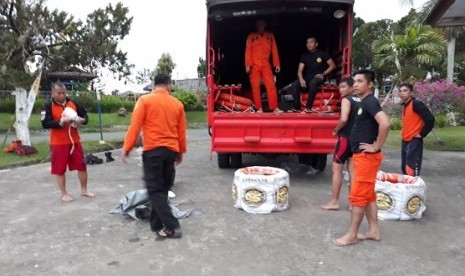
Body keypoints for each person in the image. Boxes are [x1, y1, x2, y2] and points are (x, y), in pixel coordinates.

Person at [121, 73, 186, 239]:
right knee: (162, 189)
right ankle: (156, 224)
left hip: (153, 151)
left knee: (155, 189)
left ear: (153, 85)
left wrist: (127, 148)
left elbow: (135, 126)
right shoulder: (177, 104)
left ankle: (172, 227)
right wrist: (180, 152)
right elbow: (181, 132)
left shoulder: (145, 101)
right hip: (170, 151)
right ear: (169, 85)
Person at [333, 69, 390, 246]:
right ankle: (373, 230)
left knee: (358, 196)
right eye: (355, 81)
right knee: (368, 194)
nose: (356, 84)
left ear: (370, 84)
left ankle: (352, 234)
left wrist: (376, 146)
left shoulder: (370, 102)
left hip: (366, 157)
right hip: (361, 156)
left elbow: (385, 123)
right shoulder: (364, 102)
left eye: (360, 81)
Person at [41, 82, 95, 202]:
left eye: (64, 93)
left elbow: (85, 115)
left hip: (74, 140)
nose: (62, 95)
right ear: (53, 93)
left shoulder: (73, 103)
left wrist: (82, 120)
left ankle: (84, 190)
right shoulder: (48, 106)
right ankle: (64, 193)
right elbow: (45, 123)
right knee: (59, 169)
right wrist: (61, 121)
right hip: (58, 143)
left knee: (82, 165)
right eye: (59, 93)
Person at [321, 77, 359, 211]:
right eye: (339, 87)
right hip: (356, 140)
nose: (340, 90)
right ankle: (353, 203)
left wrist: (336, 129)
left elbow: (343, 118)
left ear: (351, 87)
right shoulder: (360, 100)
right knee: (352, 171)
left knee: (336, 169)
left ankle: (334, 202)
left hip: (345, 139)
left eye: (343, 87)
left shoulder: (346, 100)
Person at [288, 36, 336, 113]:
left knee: (313, 82)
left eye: (311, 42)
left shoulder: (323, 54)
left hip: (319, 77)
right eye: (307, 43)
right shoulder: (304, 56)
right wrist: (301, 79)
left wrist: (323, 73)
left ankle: (308, 107)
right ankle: (296, 108)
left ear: (316, 44)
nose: (309, 44)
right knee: (295, 84)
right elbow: (299, 71)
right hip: (307, 78)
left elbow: (332, 65)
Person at [245, 18, 283, 113]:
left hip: (266, 64)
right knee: (255, 86)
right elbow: (248, 51)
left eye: (262, 24)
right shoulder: (251, 36)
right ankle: (259, 108)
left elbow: (274, 50)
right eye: (258, 24)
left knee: (271, 85)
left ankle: (275, 108)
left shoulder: (270, 35)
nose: (260, 25)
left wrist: (277, 64)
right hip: (254, 65)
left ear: (265, 24)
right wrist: (248, 65)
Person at [399, 82, 434, 176]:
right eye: (400, 91)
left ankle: (413, 187)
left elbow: (430, 119)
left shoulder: (417, 104)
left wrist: (422, 134)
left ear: (411, 93)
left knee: (411, 168)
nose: (402, 93)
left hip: (414, 140)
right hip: (405, 140)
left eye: (405, 91)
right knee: (404, 167)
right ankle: (407, 188)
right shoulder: (405, 105)